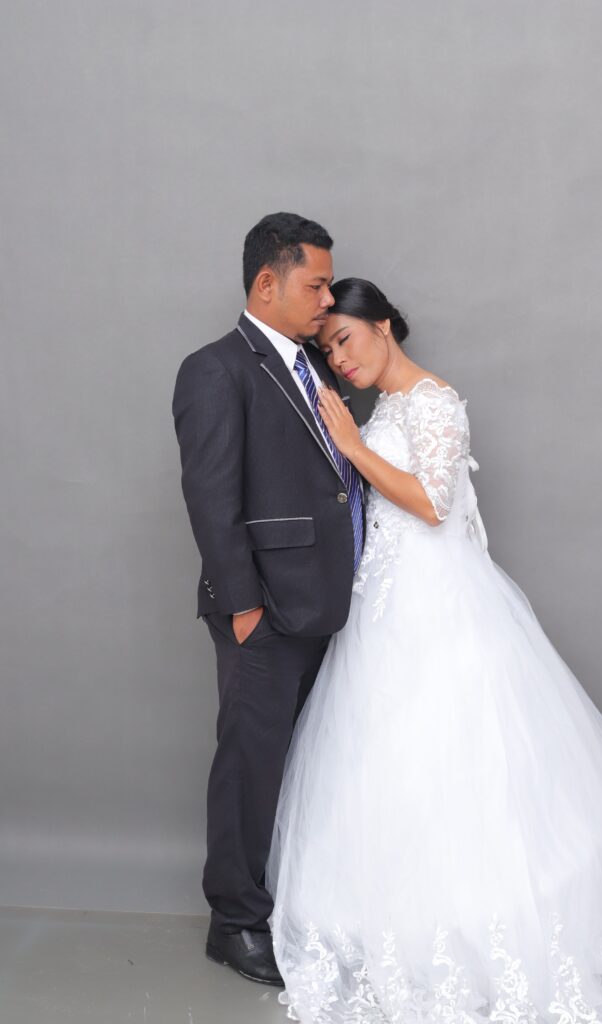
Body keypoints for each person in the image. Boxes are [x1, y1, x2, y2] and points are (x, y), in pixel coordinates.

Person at [267, 277, 602, 1022]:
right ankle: (395, 921)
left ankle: (479, 925)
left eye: (345, 340)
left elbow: (433, 503)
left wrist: (352, 447)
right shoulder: (387, 407)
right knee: (387, 759)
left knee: (457, 755)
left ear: (384, 325)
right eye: (328, 351)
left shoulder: (433, 401)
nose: (339, 361)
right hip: (382, 608)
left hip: (438, 603)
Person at [172, 215, 364, 986]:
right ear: (266, 283)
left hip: (325, 603)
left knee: (310, 761)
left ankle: (291, 905)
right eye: (315, 285)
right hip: (265, 609)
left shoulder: (316, 364)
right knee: (250, 765)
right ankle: (235, 922)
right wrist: (243, 607)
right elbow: (210, 497)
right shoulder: (215, 369)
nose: (326, 300)